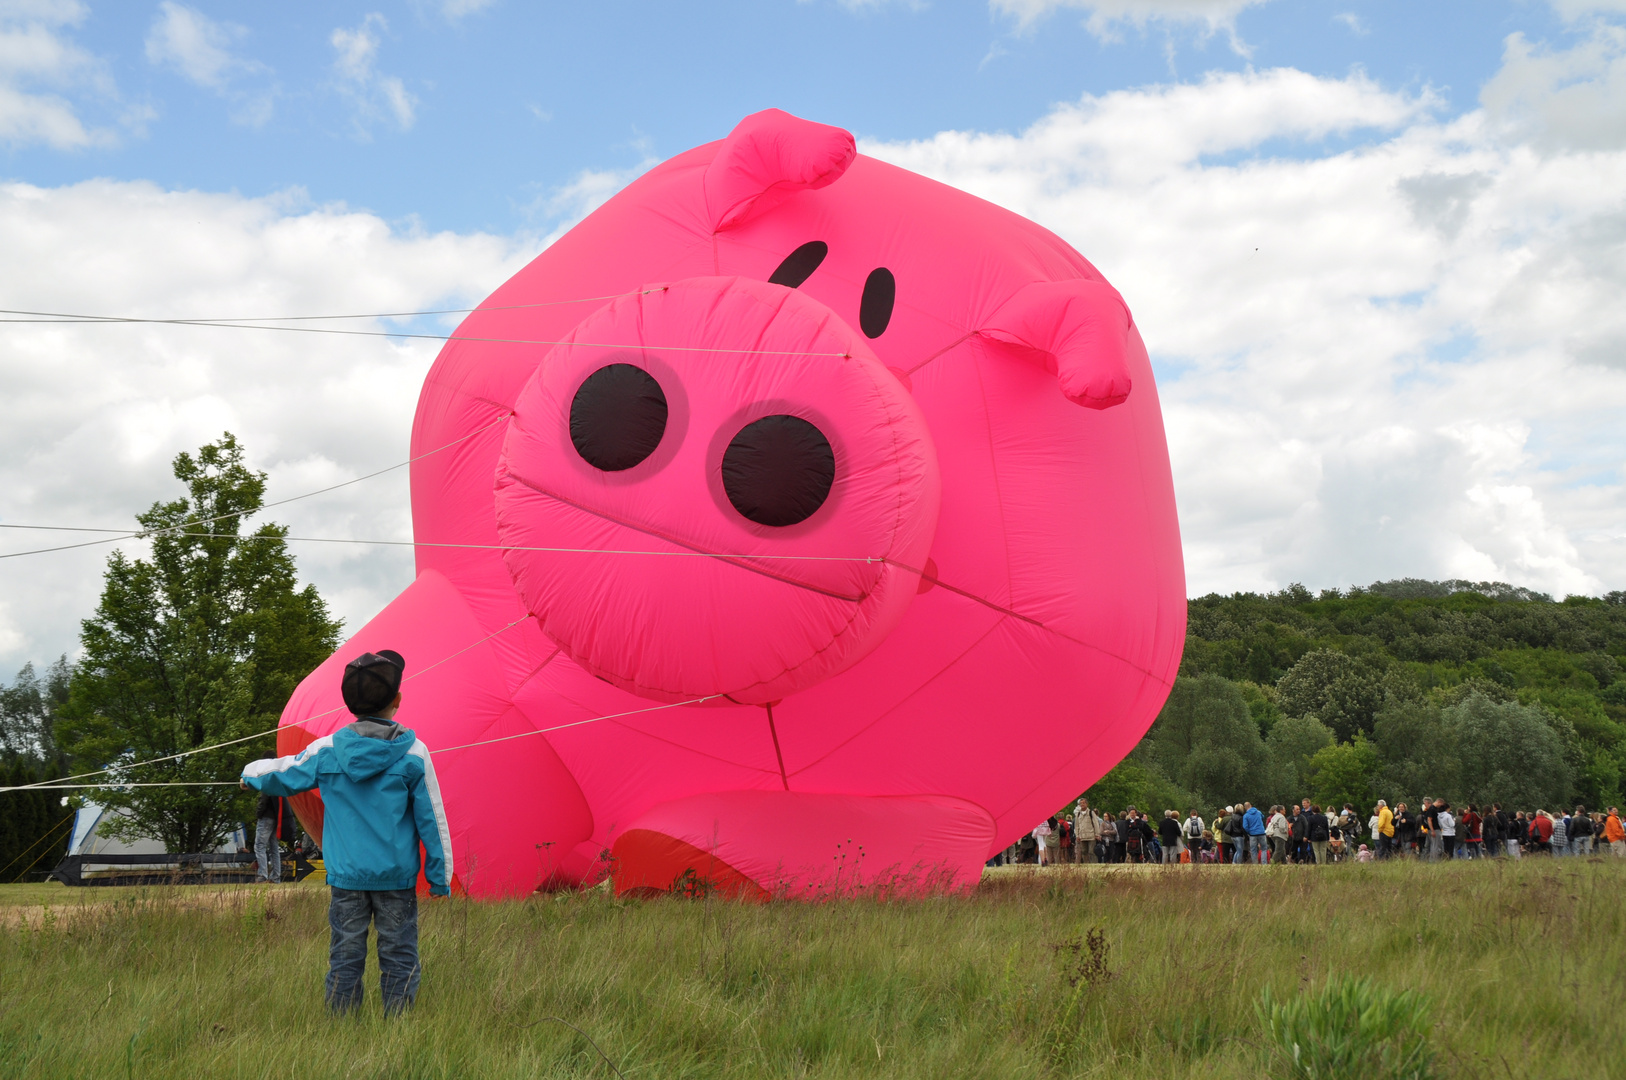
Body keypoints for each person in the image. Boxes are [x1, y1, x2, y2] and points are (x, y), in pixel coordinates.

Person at [241, 650, 452, 1016]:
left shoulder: (326, 751)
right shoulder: (414, 754)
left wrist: (249, 774)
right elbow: (433, 819)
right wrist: (439, 878)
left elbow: (283, 772)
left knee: (345, 955)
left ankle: (341, 1027)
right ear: (397, 701)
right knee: (400, 955)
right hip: (396, 879)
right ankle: (397, 1027)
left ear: (348, 705)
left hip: (347, 880)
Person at [253, 787, 284, 883]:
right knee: (274, 848)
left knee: (259, 846)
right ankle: (275, 877)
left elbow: (263, 800)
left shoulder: (267, 783)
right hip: (276, 817)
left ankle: (262, 875)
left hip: (266, 817)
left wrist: (259, 813)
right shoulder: (278, 784)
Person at [1074, 800, 1104, 864]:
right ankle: (1086, 864)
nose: (1082, 804)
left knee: (1091, 851)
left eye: (1084, 803)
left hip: (1091, 836)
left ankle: (1094, 864)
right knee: (1084, 851)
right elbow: (1077, 826)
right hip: (1082, 836)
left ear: (1087, 804)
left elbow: (1096, 823)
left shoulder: (1091, 813)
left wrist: (1097, 834)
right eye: (1081, 803)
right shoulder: (1078, 814)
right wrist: (1077, 835)